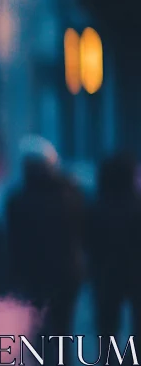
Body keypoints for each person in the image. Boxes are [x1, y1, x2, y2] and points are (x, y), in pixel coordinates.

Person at [5, 155, 86, 364]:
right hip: (66, 274)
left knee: (39, 330)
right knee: (63, 329)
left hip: (33, 276)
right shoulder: (68, 195)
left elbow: (13, 243)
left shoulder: (18, 199)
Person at [88, 153, 141, 364]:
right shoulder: (136, 206)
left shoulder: (97, 207)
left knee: (107, 326)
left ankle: (109, 359)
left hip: (106, 275)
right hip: (136, 273)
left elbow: (89, 242)